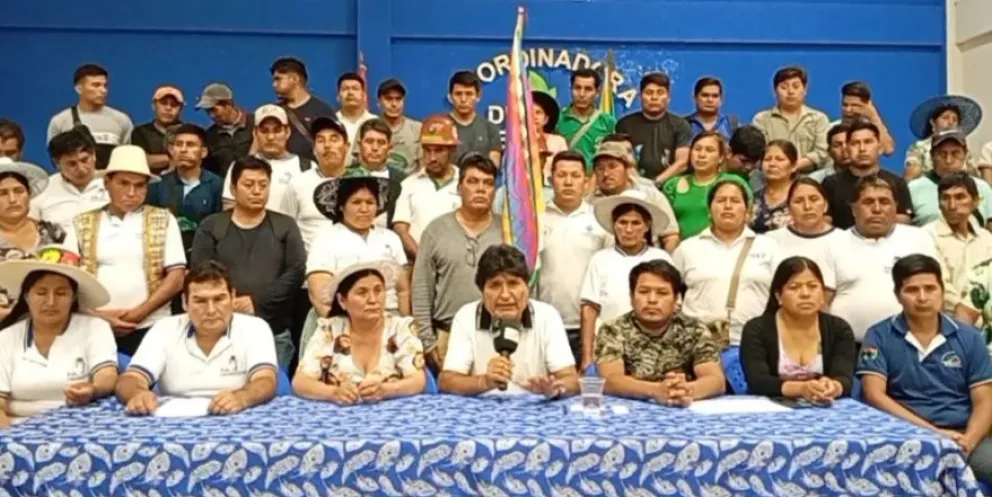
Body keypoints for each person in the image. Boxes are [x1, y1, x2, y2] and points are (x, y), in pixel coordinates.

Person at [859, 254, 992, 484]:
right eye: (912, 290)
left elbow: (984, 400)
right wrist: (935, 434)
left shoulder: (969, 337)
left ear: (942, 291)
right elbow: (874, 395)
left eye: (930, 288)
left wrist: (968, 441)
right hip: (902, 436)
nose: (922, 298)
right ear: (897, 296)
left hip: (963, 434)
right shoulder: (879, 335)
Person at [64, 145, 186, 356]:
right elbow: (66, 278)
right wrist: (98, 318)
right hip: (91, 325)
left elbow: (176, 278)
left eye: (139, 186)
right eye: (124, 184)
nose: (132, 192)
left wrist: (137, 316)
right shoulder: (82, 222)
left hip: (152, 325)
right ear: (107, 183)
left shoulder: (164, 219)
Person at [115, 261, 278, 416]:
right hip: (173, 423)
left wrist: (242, 398)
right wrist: (138, 394)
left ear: (233, 297)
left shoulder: (255, 327)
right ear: (185, 303)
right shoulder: (164, 328)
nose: (211, 310)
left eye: (219, 299)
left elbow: (265, 380)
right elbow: (131, 378)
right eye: (200, 301)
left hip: (237, 415)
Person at [191, 156, 306, 370]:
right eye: (248, 184)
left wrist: (257, 301)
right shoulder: (212, 226)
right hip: (222, 329)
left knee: (272, 392)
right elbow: (201, 271)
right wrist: (229, 301)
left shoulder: (285, 225)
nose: (256, 191)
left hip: (274, 328)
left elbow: (296, 271)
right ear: (233, 189)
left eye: (263, 185)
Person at [439, 245, 580, 397]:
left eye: (513, 283)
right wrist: (484, 382)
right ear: (482, 291)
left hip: (535, 410)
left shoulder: (547, 316)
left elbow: (571, 379)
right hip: (482, 410)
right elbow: (447, 381)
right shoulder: (466, 316)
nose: (505, 295)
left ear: (527, 286)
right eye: (495, 285)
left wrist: (554, 387)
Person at [0, 247, 117, 424]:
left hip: (81, 426)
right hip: (17, 427)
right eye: (41, 293)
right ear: (26, 296)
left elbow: (107, 375)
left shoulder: (95, 327)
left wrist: (93, 389)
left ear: (74, 298)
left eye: (61, 293)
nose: (51, 302)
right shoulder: (6, 337)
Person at [412, 153, 503, 371]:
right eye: (472, 182)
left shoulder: (509, 230)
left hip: (498, 337)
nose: (481, 189)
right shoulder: (436, 231)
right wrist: (427, 340)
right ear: (459, 188)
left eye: (488, 183)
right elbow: (422, 287)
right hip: (447, 336)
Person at [825, 174, 940, 341]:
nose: (877, 209)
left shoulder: (919, 238)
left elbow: (934, 293)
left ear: (895, 208)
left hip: (909, 344)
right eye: (868, 202)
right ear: (853, 209)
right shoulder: (833, 242)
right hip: (848, 347)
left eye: (884, 202)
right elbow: (823, 302)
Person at [596, 260, 726, 406]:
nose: (652, 300)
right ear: (631, 297)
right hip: (631, 408)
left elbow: (716, 379)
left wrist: (685, 391)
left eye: (662, 293)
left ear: (676, 299)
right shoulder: (612, 329)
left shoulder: (694, 329)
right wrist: (656, 391)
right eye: (644, 292)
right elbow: (610, 380)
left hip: (683, 406)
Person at [294, 261, 426, 404]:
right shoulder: (330, 330)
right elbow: (300, 382)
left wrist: (386, 390)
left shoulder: (400, 328)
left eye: (378, 290)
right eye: (362, 292)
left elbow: (418, 380)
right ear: (342, 300)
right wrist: (333, 393)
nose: (373, 299)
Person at [674, 179, 781, 349]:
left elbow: (782, 294)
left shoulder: (769, 247)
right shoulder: (687, 248)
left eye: (735, 201)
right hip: (696, 344)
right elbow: (671, 293)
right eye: (721, 200)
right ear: (709, 210)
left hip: (755, 343)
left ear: (747, 211)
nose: (728, 206)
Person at [579, 191, 674, 369]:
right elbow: (589, 310)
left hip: (654, 349)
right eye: (622, 222)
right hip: (608, 348)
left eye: (636, 223)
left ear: (647, 226)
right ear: (614, 226)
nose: (628, 229)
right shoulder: (600, 260)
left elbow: (673, 307)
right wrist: (587, 356)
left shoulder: (661, 258)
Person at [740, 257, 856, 402]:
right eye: (794, 287)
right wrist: (801, 389)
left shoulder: (839, 329)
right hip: (771, 407)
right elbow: (758, 382)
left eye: (813, 286)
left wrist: (833, 387)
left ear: (822, 294)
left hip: (825, 404)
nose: (805, 294)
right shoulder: (756, 329)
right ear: (778, 296)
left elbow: (844, 377)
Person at [306, 176, 409, 319]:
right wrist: (344, 330)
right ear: (342, 206)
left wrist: (406, 324)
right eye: (356, 202)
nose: (364, 209)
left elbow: (403, 291)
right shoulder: (326, 239)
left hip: (390, 319)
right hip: (345, 320)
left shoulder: (390, 238)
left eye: (370, 202)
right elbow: (319, 296)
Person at [0, 158, 64, 319]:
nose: (13, 199)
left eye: (19, 191)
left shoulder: (53, 233)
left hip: (53, 325)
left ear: (29, 194)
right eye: (2, 193)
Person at [663, 131, 752, 239]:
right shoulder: (672, 185)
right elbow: (665, 227)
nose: (701, 155)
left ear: (720, 158)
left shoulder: (735, 183)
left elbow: (747, 218)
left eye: (709, 150)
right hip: (683, 250)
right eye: (697, 149)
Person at [765, 178, 844, 287]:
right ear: (789, 209)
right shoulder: (771, 241)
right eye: (798, 201)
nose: (807, 206)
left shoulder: (845, 240)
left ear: (825, 205)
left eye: (814, 199)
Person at [904, 95, 982, 180]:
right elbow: (910, 178)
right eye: (945, 118)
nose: (950, 122)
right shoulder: (919, 148)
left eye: (954, 119)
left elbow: (975, 178)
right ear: (933, 122)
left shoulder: (964, 149)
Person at [750, 140, 798, 234]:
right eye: (767, 159)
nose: (772, 164)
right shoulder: (752, 199)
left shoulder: (802, 196)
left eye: (779, 159)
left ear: (794, 166)